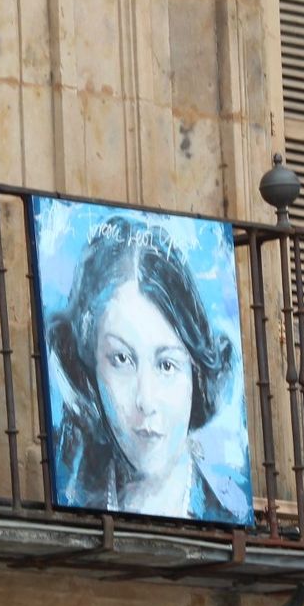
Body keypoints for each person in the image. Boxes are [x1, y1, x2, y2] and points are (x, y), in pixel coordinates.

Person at [46, 215, 248, 524]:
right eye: (122, 360)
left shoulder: (219, 515)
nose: (146, 400)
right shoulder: (76, 490)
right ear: (90, 367)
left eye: (166, 365)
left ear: (196, 371)